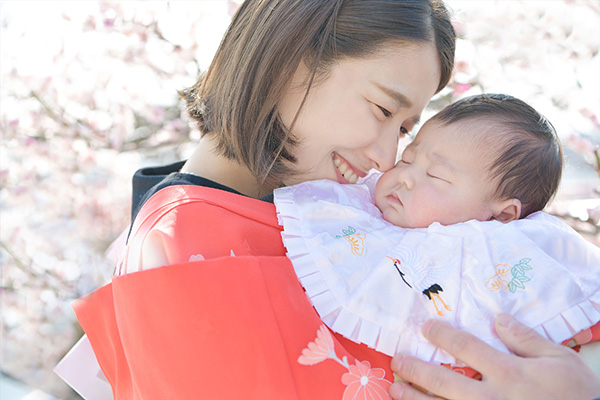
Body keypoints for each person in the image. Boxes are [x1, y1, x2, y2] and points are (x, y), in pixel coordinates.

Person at [62, 1, 600, 399]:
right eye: (383, 110)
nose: (389, 155)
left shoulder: (322, 217)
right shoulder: (190, 242)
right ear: (293, 61)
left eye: (407, 128)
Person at [272, 93, 600, 385]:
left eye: (436, 175)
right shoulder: (358, 203)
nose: (405, 177)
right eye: (408, 159)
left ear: (502, 216)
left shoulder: (504, 251)